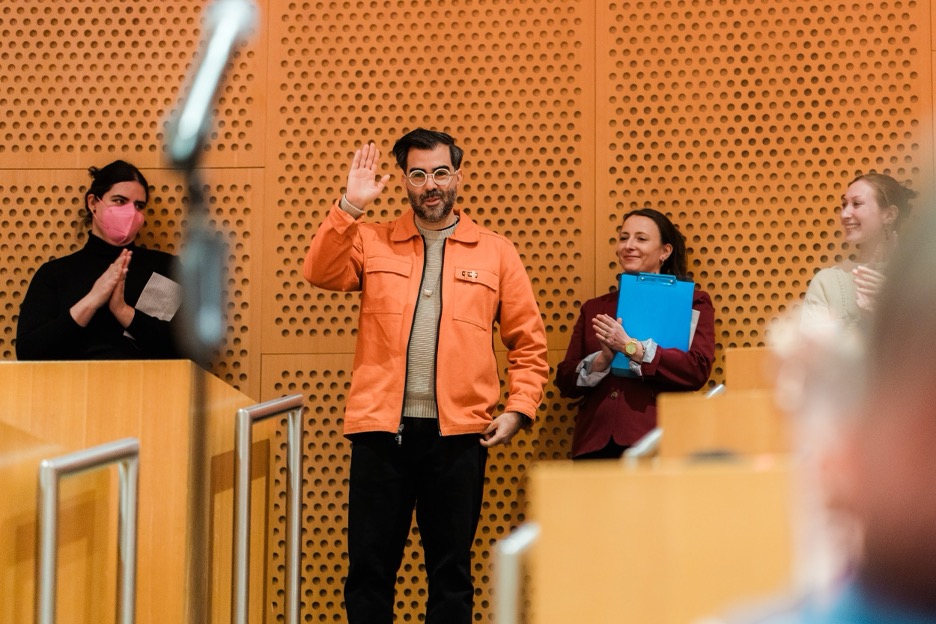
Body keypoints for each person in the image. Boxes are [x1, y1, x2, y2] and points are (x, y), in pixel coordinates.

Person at [302, 128, 548, 624]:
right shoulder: (371, 241)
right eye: (418, 174)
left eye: (440, 172)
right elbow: (320, 271)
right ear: (404, 181)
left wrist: (519, 408)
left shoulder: (496, 252)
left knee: (451, 575)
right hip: (380, 434)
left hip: (457, 437)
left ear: (457, 175)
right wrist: (349, 206)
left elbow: (529, 343)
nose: (430, 184)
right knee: (369, 573)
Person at [555, 208, 715, 460]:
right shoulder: (595, 308)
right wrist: (601, 361)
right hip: (595, 444)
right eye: (623, 237)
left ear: (665, 251)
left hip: (658, 442)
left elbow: (697, 369)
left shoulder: (692, 302)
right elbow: (564, 379)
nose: (628, 246)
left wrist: (633, 348)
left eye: (641, 239)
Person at [16, 160, 182, 360]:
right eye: (120, 201)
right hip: (73, 388)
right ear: (93, 203)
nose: (131, 213)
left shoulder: (165, 268)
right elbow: (28, 353)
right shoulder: (55, 274)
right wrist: (91, 301)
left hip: (147, 388)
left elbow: (185, 350)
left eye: (139, 205)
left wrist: (122, 311)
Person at [801, 172, 916, 326]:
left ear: (889, 215)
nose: (844, 214)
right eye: (844, 205)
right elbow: (812, 349)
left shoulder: (921, 279)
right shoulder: (826, 282)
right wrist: (866, 320)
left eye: (857, 204)